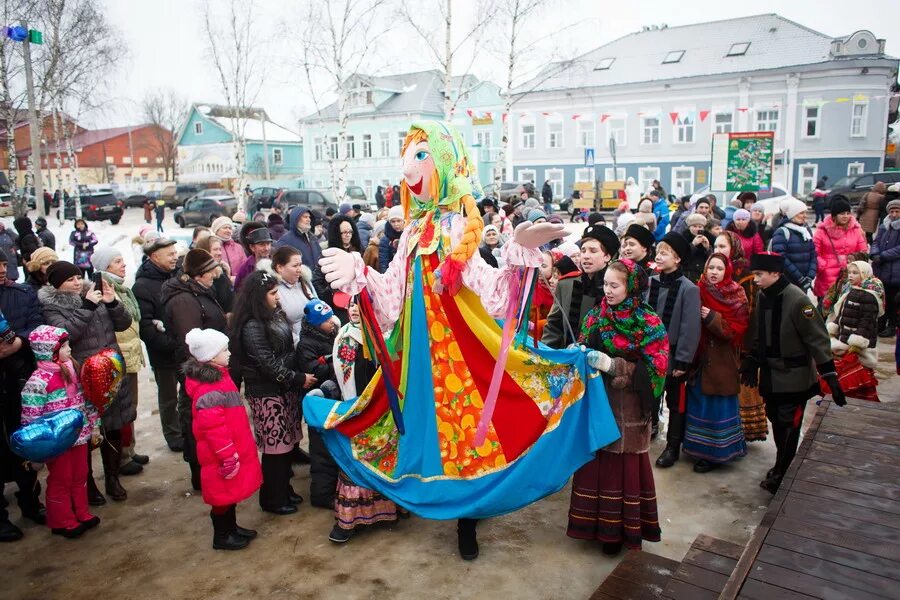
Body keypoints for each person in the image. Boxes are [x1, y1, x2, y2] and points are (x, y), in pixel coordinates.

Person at [307, 121, 618, 561]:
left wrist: (518, 254)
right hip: (418, 357)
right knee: (423, 435)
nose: (409, 168)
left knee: (471, 435)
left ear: (444, 164)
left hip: (462, 357)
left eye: (420, 156)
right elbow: (392, 294)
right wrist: (361, 273)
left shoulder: (456, 229)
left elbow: (494, 291)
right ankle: (439, 503)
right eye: (408, 156)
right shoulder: (413, 231)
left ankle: (468, 520)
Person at [567, 259, 667, 554]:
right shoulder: (595, 315)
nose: (607, 291)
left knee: (621, 469)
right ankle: (590, 526)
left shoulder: (649, 323)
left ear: (631, 288)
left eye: (615, 285)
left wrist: (615, 366)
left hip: (631, 409)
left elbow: (657, 369)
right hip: (599, 405)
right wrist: (579, 355)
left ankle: (617, 533)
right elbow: (584, 342)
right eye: (606, 284)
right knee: (597, 462)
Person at [742, 252, 845, 494]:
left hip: (794, 378)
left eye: (759, 274)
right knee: (777, 421)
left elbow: (817, 339)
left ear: (776, 273)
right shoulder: (764, 295)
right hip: (771, 376)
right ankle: (781, 463)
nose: (755, 279)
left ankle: (783, 472)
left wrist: (830, 375)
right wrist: (752, 359)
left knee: (789, 425)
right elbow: (761, 331)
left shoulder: (798, 300)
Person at [39, 260, 133, 503]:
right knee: (87, 433)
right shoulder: (52, 307)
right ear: (57, 284)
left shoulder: (95, 294)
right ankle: (89, 483)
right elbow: (65, 334)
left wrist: (112, 303)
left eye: (79, 277)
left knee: (113, 426)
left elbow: (123, 323)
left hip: (110, 370)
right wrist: (88, 306)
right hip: (82, 375)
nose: (77, 282)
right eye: (70, 280)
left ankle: (113, 478)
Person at [231, 271, 315, 514]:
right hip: (268, 393)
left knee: (287, 444)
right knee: (275, 448)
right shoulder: (252, 325)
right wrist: (298, 378)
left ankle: (283, 490)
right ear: (258, 297)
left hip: (284, 389)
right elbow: (266, 363)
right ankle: (272, 498)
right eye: (272, 293)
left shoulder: (273, 315)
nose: (278, 297)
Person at [326, 300, 400, 543]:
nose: (354, 310)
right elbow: (345, 375)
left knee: (384, 456)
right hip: (358, 406)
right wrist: (357, 406)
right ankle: (351, 518)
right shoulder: (345, 337)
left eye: (360, 304)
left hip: (383, 408)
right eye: (350, 305)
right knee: (357, 458)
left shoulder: (385, 333)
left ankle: (387, 509)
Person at [183, 328, 262, 550]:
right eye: (224, 350)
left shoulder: (220, 377)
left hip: (230, 448)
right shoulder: (209, 388)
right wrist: (227, 455)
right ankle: (222, 535)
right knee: (222, 497)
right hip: (220, 454)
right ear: (210, 357)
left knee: (229, 492)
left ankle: (232, 528)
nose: (229, 353)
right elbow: (213, 428)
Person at [20, 325, 100, 538]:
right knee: (61, 478)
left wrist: (94, 425)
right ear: (49, 351)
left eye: (67, 345)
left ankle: (81, 511)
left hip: (79, 434)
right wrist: (36, 447)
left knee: (80, 473)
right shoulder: (38, 382)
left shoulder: (73, 369)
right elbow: (30, 416)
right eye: (64, 347)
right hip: (57, 440)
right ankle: (61, 520)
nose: (69, 350)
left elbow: (86, 401)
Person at [161, 249, 228, 491]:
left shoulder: (198, 291)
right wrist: (207, 370)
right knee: (195, 418)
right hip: (198, 371)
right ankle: (200, 472)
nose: (214, 276)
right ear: (199, 274)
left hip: (209, 367)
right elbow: (191, 341)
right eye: (211, 272)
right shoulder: (183, 300)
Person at [682, 254, 748, 472]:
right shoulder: (697, 289)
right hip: (700, 360)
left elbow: (737, 330)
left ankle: (718, 452)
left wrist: (712, 318)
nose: (714, 272)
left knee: (718, 404)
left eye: (719, 268)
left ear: (727, 271)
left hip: (722, 362)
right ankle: (698, 449)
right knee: (699, 402)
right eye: (711, 267)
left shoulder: (736, 294)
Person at [0, 248, 46, 542]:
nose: (2, 270)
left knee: (25, 444)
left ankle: (31, 502)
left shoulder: (21, 293)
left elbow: (38, 327)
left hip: (19, 380)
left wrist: (17, 342)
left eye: (4, 264)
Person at [91, 247, 148, 477]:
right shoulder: (103, 289)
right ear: (105, 267)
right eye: (117, 261)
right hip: (117, 358)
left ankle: (129, 449)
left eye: (122, 260)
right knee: (120, 410)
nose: (123, 265)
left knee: (130, 405)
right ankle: (122, 456)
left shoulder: (121, 288)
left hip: (129, 353)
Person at [646, 232, 701, 461]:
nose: (658, 256)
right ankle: (647, 433)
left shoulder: (689, 289)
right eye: (658, 251)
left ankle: (672, 447)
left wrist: (683, 360)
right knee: (648, 397)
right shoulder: (651, 282)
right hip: (648, 354)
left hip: (673, 355)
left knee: (675, 402)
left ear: (677, 258)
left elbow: (690, 328)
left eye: (664, 253)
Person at [714, 232, 767, 443]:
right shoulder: (711, 272)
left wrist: (749, 347)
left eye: (723, 247)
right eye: (716, 246)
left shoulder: (745, 275)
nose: (718, 251)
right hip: (716, 341)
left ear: (734, 248)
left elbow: (751, 312)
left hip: (739, 343)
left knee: (741, 388)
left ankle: (740, 433)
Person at [131, 238, 183, 452]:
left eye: (175, 252)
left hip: (185, 348)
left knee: (188, 392)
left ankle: (187, 427)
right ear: (154, 257)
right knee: (169, 396)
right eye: (169, 254)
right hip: (164, 353)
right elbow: (145, 326)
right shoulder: (142, 286)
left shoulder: (178, 275)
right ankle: (173, 433)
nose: (175, 257)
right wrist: (171, 342)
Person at [543, 224, 619, 349]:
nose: (586, 255)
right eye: (583, 250)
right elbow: (554, 326)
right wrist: (548, 355)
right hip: (567, 360)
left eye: (593, 251)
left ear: (607, 256)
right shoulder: (566, 284)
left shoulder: (618, 288)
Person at [297, 299, 340, 509]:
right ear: (315, 323)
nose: (331, 321)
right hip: (317, 403)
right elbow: (312, 369)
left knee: (331, 446)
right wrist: (335, 360)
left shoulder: (330, 334)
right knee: (321, 449)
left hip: (330, 400)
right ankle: (321, 495)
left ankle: (331, 488)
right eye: (326, 319)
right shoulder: (306, 344)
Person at [825, 260, 884, 401]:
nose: (850, 276)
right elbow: (841, 315)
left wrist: (857, 342)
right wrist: (834, 327)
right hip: (844, 340)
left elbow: (867, 320)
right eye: (849, 272)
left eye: (855, 273)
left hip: (858, 345)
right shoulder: (850, 291)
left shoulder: (869, 296)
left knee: (856, 377)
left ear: (864, 274)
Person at [812, 198, 867, 302]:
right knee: (825, 311)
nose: (846, 216)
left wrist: (854, 265)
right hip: (827, 278)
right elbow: (814, 252)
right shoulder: (822, 231)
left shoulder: (855, 230)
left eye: (848, 213)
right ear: (834, 215)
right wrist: (823, 266)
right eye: (842, 213)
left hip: (849, 275)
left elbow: (862, 251)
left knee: (845, 311)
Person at [313, 216, 361, 324]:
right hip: (338, 308)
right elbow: (317, 282)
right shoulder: (328, 255)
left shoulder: (357, 253)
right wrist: (332, 295)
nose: (348, 235)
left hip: (356, 305)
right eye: (343, 232)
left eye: (350, 232)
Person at [271, 245, 316, 345]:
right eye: (295, 266)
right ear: (279, 267)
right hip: (295, 345)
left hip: (315, 339)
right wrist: (302, 345)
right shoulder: (273, 290)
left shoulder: (305, 282)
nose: (299, 269)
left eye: (300, 265)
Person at [770, 198, 815, 292]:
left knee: (801, 306)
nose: (805, 216)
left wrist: (810, 276)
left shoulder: (805, 231)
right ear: (792, 214)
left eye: (805, 212)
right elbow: (781, 258)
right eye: (801, 213)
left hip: (804, 282)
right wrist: (800, 278)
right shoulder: (782, 232)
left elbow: (813, 254)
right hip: (788, 282)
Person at [872, 199, 900, 336]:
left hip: (896, 271)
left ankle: (892, 325)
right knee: (882, 299)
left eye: (897, 211)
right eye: (892, 211)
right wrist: (874, 253)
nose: (894, 214)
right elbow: (876, 241)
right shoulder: (884, 225)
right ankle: (881, 323)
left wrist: (882, 256)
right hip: (882, 269)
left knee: (894, 300)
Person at [194, 233, 235, 317]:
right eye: (215, 249)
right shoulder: (202, 276)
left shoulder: (221, 271)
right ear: (205, 251)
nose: (219, 253)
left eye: (220, 249)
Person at [275, 206, 322, 272]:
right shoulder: (286, 240)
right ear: (296, 219)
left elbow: (320, 257)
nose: (309, 219)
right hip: (298, 279)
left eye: (309, 217)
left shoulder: (313, 238)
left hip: (316, 279)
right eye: (305, 217)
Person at [234, 223, 273, 290]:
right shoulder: (245, 268)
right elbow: (238, 290)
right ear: (252, 247)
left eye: (268, 243)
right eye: (262, 244)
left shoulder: (277, 262)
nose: (266, 248)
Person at [680, 214, 712, 283]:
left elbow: (712, 258)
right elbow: (681, 257)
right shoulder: (683, 238)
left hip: (703, 276)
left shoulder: (710, 239)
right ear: (689, 227)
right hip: (687, 275)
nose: (697, 229)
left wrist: (708, 248)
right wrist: (693, 245)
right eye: (694, 226)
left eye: (700, 227)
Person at [379, 205, 405, 273]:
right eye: (393, 221)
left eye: (399, 221)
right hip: (393, 274)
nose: (396, 224)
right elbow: (384, 263)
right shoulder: (386, 240)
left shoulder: (408, 235)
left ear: (404, 221)